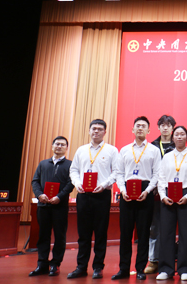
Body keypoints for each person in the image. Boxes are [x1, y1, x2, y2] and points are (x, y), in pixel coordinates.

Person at [68, 119, 118, 279]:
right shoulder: (81, 150)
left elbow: (116, 172)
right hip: (83, 195)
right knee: (83, 234)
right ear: (89, 131)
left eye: (100, 129)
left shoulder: (111, 150)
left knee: (100, 233)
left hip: (102, 195)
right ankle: (81, 267)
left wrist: (104, 185)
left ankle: (98, 267)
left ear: (105, 132)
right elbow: (74, 170)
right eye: (94, 128)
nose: (96, 131)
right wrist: (77, 183)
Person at [113, 116, 161, 280]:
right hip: (126, 192)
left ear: (149, 130)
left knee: (143, 233)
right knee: (125, 233)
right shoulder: (125, 150)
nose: (140, 128)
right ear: (133, 129)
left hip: (145, 193)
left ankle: (140, 268)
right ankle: (123, 269)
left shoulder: (154, 150)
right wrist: (122, 189)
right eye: (137, 126)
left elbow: (157, 174)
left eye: (143, 126)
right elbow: (119, 173)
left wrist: (147, 191)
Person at [156, 126, 187, 281]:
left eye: (182, 134)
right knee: (166, 233)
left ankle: (185, 268)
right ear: (173, 138)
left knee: (186, 233)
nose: (179, 137)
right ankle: (165, 269)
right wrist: (162, 196)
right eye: (177, 134)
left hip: (186, 195)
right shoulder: (167, 157)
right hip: (168, 195)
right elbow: (161, 177)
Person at [29, 136, 74, 277]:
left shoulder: (70, 165)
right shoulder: (43, 164)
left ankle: (55, 264)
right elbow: (35, 181)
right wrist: (39, 195)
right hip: (43, 205)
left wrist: (59, 196)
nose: (59, 146)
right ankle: (42, 264)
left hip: (60, 206)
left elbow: (71, 183)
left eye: (62, 144)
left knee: (60, 236)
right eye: (57, 144)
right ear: (52, 146)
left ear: (66, 148)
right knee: (43, 235)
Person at [146, 115, 177, 275]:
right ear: (158, 128)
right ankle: (153, 260)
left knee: (174, 228)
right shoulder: (151, 147)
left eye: (168, 125)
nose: (165, 128)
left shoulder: (178, 145)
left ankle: (172, 260)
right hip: (155, 193)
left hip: (175, 191)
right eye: (162, 125)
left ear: (173, 128)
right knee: (154, 227)